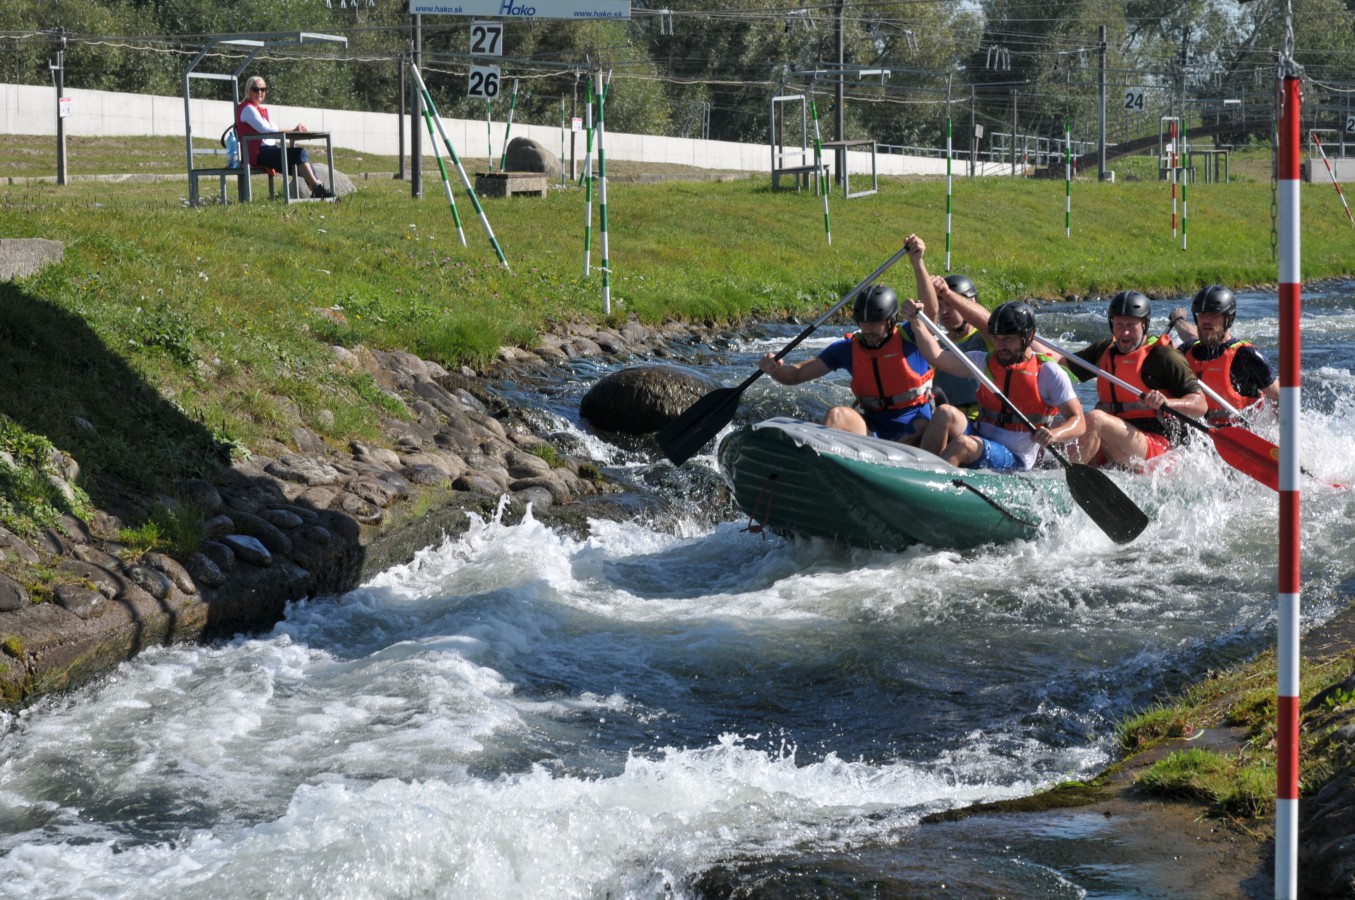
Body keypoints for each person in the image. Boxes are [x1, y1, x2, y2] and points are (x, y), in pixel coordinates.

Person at [908, 299, 1085, 470]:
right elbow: (937, 356)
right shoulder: (983, 361)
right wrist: (916, 321)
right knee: (944, 413)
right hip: (981, 436)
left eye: (1007, 339)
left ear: (1028, 336)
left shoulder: (1049, 373)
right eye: (996, 338)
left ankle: (930, 482)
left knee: (963, 444)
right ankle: (920, 471)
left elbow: (1079, 421)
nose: (1000, 346)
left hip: (1015, 457)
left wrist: (1053, 435)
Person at [758, 280, 934, 442]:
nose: (867, 329)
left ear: (890, 321)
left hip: (914, 423)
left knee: (921, 425)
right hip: (873, 427)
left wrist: (917, 262)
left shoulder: (911, 336)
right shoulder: (846, 349)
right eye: (863, 322)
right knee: (836, 416)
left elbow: (931, 315)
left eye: (874, 323)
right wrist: (775, 369)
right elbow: (796, 375)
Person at [1052, 291, 1207, 468]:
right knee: (1051, 426)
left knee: (1096, 420)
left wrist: (1167, 403)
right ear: (1112, 324)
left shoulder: (1165, 356)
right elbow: (1060, 361)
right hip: (1117, 443)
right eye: (1119, 324)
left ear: (1144, 325)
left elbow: (1200, 404)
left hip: (1156, 448)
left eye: (1131, 325)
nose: (1124, 332)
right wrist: (1028, 340)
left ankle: (1066, 475)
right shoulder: (1104, 350)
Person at [904, 235, 991, 420]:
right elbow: (930, 314)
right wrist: (918, 262)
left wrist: (948, 293)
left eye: (950, 305)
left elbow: (987, 320)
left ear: (971, 302)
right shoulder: (936, 344)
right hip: (943, 419)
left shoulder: (989, 337)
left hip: (982, 421)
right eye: (941, 305)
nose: (944, 311)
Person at [1165, 285, 1279, 424]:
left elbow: (1279, 398)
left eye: (1214, 315)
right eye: (1202, 314)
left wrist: (1278, 432)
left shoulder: (1246, 356)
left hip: (1241, 429)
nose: (1206, 320)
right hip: (1197, 432)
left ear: (1228, 319)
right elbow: (1190, 335)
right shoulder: (1186, 350)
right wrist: (1178, 320)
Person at [235, 76, 335, 200]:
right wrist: (292, 131)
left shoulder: (259, 110)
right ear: (248, 90)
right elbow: (265, 130)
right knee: (299, 154)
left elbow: (274, 127)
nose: (260, 92)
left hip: (268, 151)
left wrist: (293, 130)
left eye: (263, 89)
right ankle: (317, 188)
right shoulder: (247, 108)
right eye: (256, 89)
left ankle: (318, 188)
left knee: (301, 157)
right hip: (257, 155)